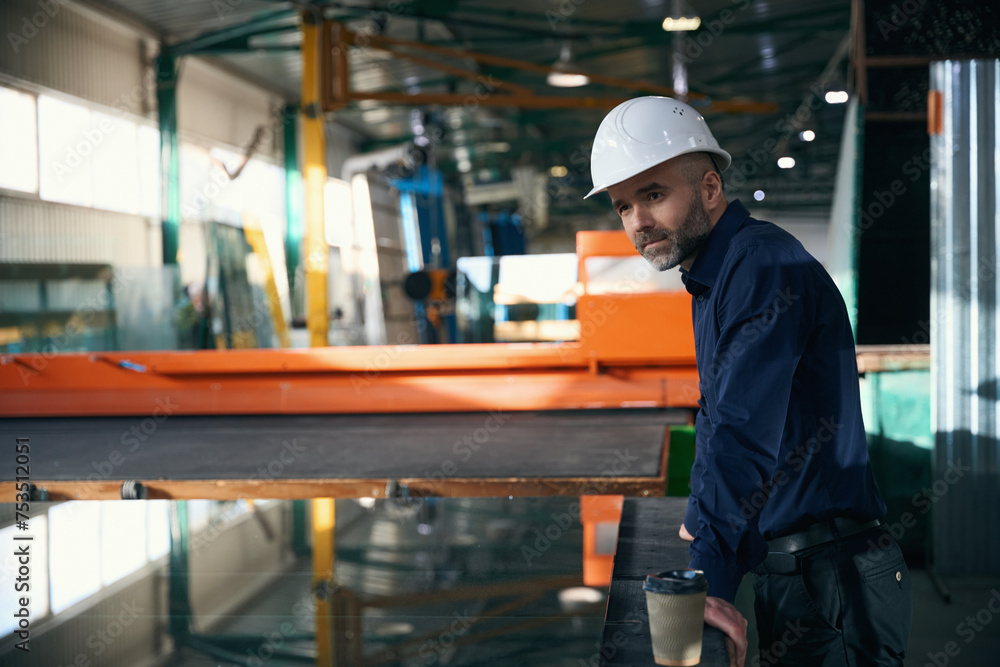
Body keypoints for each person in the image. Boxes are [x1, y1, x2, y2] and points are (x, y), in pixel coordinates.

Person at [585, 96, 912, 666]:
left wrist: (708, 575)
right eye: (623, 206)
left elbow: (740, 426)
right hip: (797, 569)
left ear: (710, 188)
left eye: (654, 195)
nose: (638, 221)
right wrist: (701, 519)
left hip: (832, 579)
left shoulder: (760, 267)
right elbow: (716, 416)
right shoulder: (714, 276)